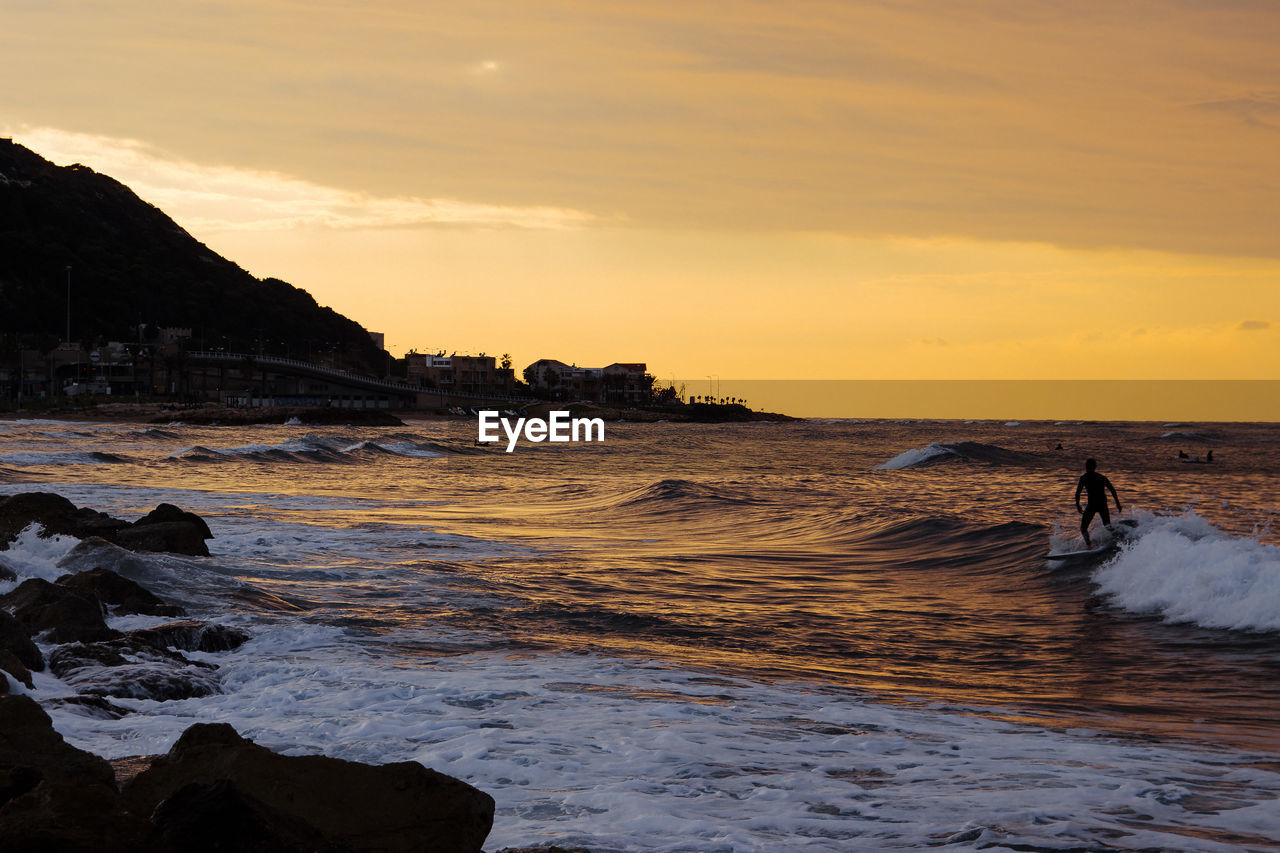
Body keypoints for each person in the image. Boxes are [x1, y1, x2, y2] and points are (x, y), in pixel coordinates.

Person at [1074, 458, 1122, 548]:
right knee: (1104, 526)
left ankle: (1090, 545)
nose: (1087, 468)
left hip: (1096, 505)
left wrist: (1078, 505)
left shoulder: (1085, 478)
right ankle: (1118, 537)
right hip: (1097, 505)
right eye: (1087, 466)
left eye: (1088, 466)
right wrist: (1118, 504)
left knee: (1088, 527)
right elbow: (1112, 490)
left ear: (1089, 467)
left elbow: (1077, 493)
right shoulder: (1100, 477)